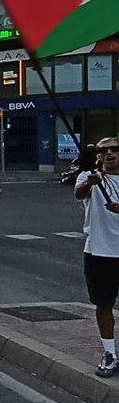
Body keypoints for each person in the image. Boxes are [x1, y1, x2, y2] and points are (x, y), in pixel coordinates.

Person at [75, 138, 119, 377]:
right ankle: (109, 353)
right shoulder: (89, 178)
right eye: (103, 151)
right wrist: (90, 183)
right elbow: (78, 193)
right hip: (99, 252)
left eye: (115, 149)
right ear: (98, 156)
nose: (109, 154)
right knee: (103, 305)